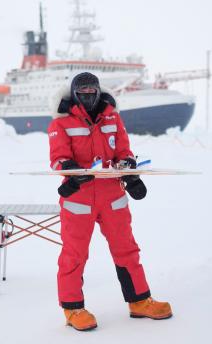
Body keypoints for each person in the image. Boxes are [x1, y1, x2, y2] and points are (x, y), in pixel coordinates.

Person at [48, 72, 173, 331]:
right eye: (81, 92)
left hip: (112, 196)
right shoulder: (61, 123)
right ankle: (73, 308)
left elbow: (123, 152)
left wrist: (131, 174)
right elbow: (58, 158)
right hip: (79, 198)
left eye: (91, 91)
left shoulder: (113, 117)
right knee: (74, 254)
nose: (87, 96)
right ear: (74, 94)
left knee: (127, 249)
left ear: (97, 91)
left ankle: (139, 301)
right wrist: (71, 173)